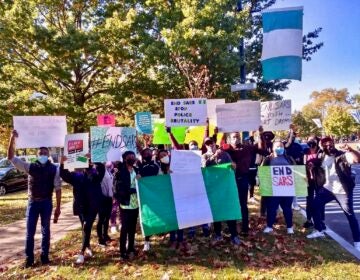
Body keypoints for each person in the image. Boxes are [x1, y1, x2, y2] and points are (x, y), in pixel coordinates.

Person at [7, 130, 61, 268]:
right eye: (40, 152)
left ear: (48, 154)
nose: (43, 154)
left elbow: (58, 188)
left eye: (45, 152)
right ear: (37, 155)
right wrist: (12, 138)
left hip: (46, 203)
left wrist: (58, 208)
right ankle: (29, 259)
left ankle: (45, 257)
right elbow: (11, 157)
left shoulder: (54, 169)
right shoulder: (30, 166)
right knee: (29, 232)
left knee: (46, 231)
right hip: (32, 203)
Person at [307, 137, 360, 252]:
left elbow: (357, 159)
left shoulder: (342, 155)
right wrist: (311, 164)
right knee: (314, 205)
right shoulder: (322, 156)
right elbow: (316, 163)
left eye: (330, 144)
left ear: (333, 144)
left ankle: (357, 242)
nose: (328, 146)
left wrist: (351, 150)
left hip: (342, 190)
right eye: (325, 145)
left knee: (350, 215)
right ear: (321, 146)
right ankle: (319, 230)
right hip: (328, 189)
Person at [59, 156, 105, 264]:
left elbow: (101, 169)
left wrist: (96, 159)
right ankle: (88, 246)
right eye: (86, 161)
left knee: (86, 226)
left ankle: (82, 252)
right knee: (85, 228)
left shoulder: (95, 175)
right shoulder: (76, 176)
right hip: (81, 207)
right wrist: (62, 164)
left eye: (89, 161)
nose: (88, 162)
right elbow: (65, 175)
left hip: (93, 206)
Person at [221, 127, 266, 237]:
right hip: (230, 181)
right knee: (231, 204)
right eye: (234, 137)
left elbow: (262, 150)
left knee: (243, 204)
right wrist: (217, 131)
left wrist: (260, 134)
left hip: (243, 179)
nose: (236, 139)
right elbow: (214, 147)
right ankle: (231, 227)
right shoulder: (226, 150)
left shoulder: (248, 148)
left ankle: (245, 228)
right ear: (229, 139)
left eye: (238, 137)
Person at [202, 137, 241, 245]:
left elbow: (232, 167)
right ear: (205, 146)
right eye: (207, 144)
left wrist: (233, 166)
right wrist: (214, 156)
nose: (210, 145)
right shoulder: (204, 156)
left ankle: (234, 235)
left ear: (215, 143)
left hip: (225, 188)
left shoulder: (225, 154)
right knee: (216, 212)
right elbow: (204, 168)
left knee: (229, 210)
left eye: (212, 143)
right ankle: (218, 234)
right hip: (213, 189)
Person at [262, 140, 296, 234]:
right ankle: (269, 226)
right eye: (277, 146)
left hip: (287, 188)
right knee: (272, 208)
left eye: (281, 146)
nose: (279, 148)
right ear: (273, 148)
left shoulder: (289, 158)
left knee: (287, 208)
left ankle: (289, 227)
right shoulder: (268, 159)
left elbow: (295, 170)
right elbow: (262, 172)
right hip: (273, 189)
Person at [113, 151, 141, 260]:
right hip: (125, 204)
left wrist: (140, 180)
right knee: (125, 228)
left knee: (132, 228)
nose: (133, 158)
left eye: (134, 157)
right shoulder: (119, 172)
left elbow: (141, 184)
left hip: (135, 204)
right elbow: (118, 189)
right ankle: (122, 251)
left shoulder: (136, 170)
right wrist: (134, 189)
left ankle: (131, 248)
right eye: (130, 157)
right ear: (125, 159)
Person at [138, 148, 160, 252]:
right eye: (145, 153)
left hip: (154, 194)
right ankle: (146, 241)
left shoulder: (156, 165)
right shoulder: (139, 165)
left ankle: (153, 235)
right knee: (145, 216)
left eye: (149, 153)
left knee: (153, 216)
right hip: (143, 195)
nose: (147, 154)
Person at [303, 136, 324, 228]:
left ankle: (321, 221)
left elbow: (322, 161)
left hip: (319, 179)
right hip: (308, 179)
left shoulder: (321, 151)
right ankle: (309, 220)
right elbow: (302, 162)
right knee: (309, 200)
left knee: (320, 200)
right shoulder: (305, 151)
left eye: (313, 140)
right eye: (309, 140)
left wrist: (314, 163)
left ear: (317, 141)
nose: (311, 142)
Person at [97, 161, 114, 246]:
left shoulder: (108, 170)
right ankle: (100, 238)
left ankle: (105, 235)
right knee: (101, 219)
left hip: (109, 198)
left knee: (107, 218)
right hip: (102, 198)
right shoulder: (98, 170)